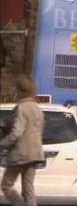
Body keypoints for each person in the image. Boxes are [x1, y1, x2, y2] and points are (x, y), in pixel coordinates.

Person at [0, 76, 44, 206]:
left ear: (19, 90)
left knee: (6, 185)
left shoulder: (22, 107)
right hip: (35, 153)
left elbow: (16, 132)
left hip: (20, 154)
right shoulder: (37, 108)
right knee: (28, 190)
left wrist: (2, 144)